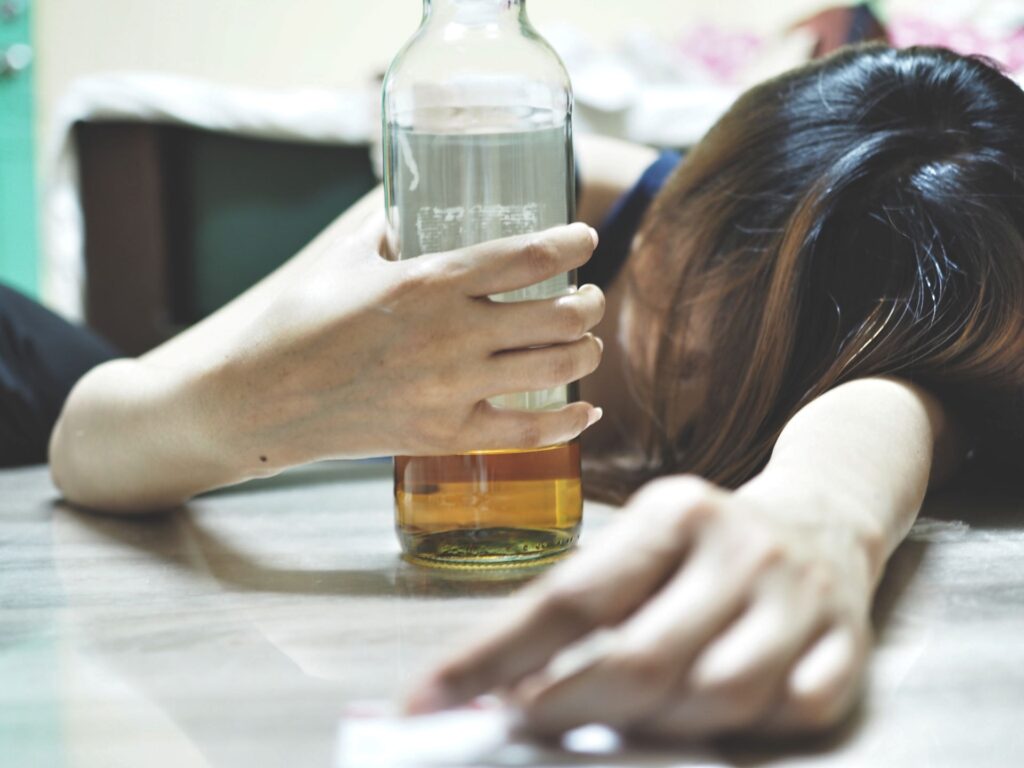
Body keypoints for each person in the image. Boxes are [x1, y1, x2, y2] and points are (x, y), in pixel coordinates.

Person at [27, 42, 1024, 738]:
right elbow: (91, 435)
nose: (681, 376)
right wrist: (263, 400)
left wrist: (829, 506)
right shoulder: (524, 193)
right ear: (677, 206)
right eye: (689, 327)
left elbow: (900, 405)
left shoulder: (916, 349)